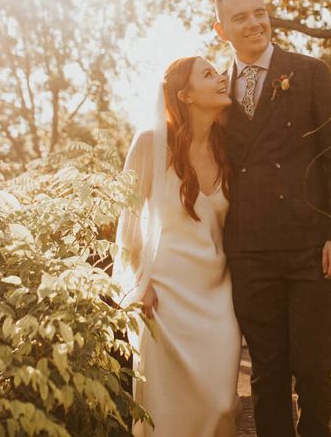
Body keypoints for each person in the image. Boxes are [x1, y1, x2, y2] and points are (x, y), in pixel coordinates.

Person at [213, 0, 331, 437]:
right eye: (241, 18)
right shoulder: (215, 90)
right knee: (267, 370)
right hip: (250, 251)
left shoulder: (309, 72)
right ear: (221, 30)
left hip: (311, 246)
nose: (255, 23)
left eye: (260, 12)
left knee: (313, 365)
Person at [112, 56, 242, 437]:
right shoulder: (150, 142)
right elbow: (128, 222)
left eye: (218, 72)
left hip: (218, 295)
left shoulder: (228, 148)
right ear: (185, 95)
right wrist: (139, 283)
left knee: (221, 405)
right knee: (166, 413)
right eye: (208, 74)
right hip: (163, 297)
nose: (221, 78)